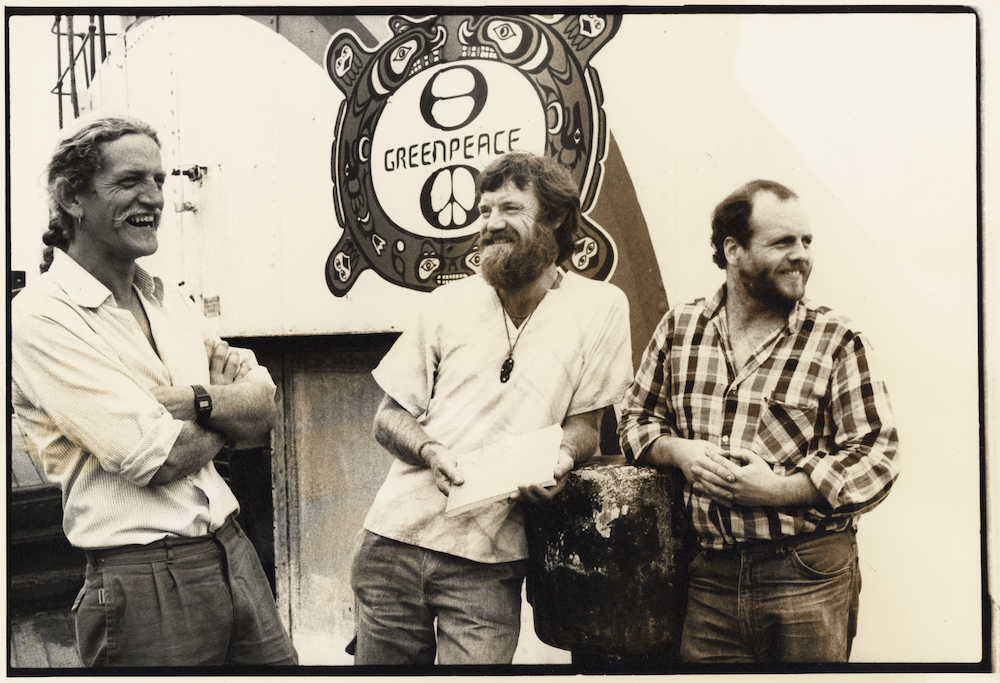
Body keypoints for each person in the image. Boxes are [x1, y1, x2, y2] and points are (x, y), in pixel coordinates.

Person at [10, 114, 298, 667]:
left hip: (233, 552)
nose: (154, 197)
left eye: (160, 180)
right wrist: (228, 407)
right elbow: (160, 458)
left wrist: (195, 401)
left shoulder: (168, 299)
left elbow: (268, 404)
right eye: (129, 181)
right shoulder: (40, 318)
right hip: (143, 581)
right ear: (73, 197)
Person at [352, 151, 633, 666]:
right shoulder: (446, 303)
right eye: (484, 211)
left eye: (510, 208)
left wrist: (563, 459)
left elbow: (586, 427)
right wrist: (431, 449)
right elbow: (387, 418)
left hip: (489, 559)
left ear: (553, 218)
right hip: (393, 541)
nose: (491, 224)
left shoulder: (601, 306)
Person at [618, 179, 900, 664]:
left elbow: (877, 456)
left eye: (807, 241)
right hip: (708, 578)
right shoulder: (680, 328)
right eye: (782, 242)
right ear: (733, 250)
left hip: (807, 574)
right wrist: (679, 452)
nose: (801, 256)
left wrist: (778, 490)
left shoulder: (837, 339)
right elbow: (634, 420)